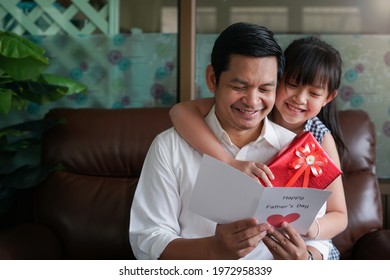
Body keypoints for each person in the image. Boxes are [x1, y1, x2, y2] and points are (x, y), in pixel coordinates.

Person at [130, 22, 333, 260]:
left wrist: (305, 260)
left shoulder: (300, 154)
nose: (252, 101)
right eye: (239, 86)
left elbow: (319, 238)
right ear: (212, 79)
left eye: (266, 89)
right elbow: (147, 239)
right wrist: (213, 250)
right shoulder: (170, 147)